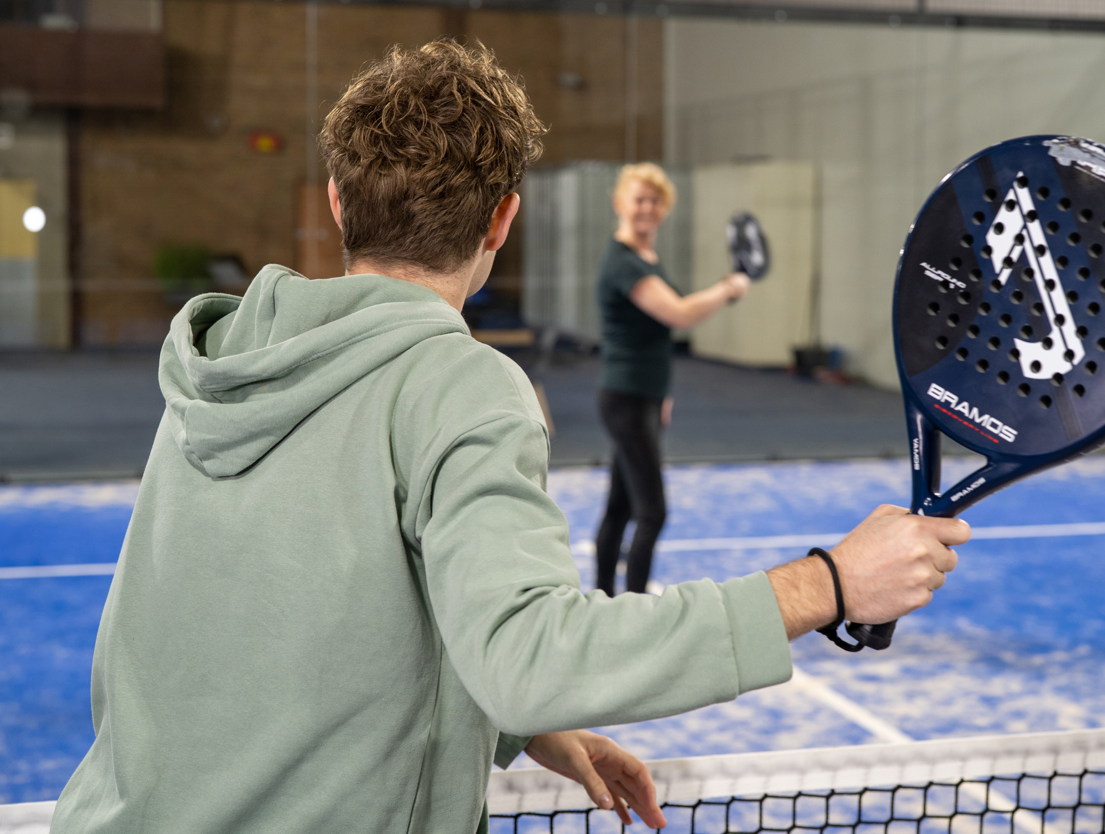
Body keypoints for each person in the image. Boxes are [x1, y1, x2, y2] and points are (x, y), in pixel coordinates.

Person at [50, 41, 970, 834]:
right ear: (503, 219)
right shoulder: (463, 386)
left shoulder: (225, 363)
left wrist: (523, 732)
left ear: (337, 202)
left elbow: (297, 623)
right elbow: (533, 659)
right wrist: (831, 582)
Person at [594, 163, 750, 596]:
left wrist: (660, 395)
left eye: (655, 200)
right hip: (625, 400)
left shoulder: (646, 258)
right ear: (619, 203)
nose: (647, 208)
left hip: (640, 397)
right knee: (652, 512)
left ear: (664, 209)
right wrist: (727, 288)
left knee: (621, 507)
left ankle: (604, 599)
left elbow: (654, 337)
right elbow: (678, 314)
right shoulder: (625, 263)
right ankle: (637, 608)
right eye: (639, 198)